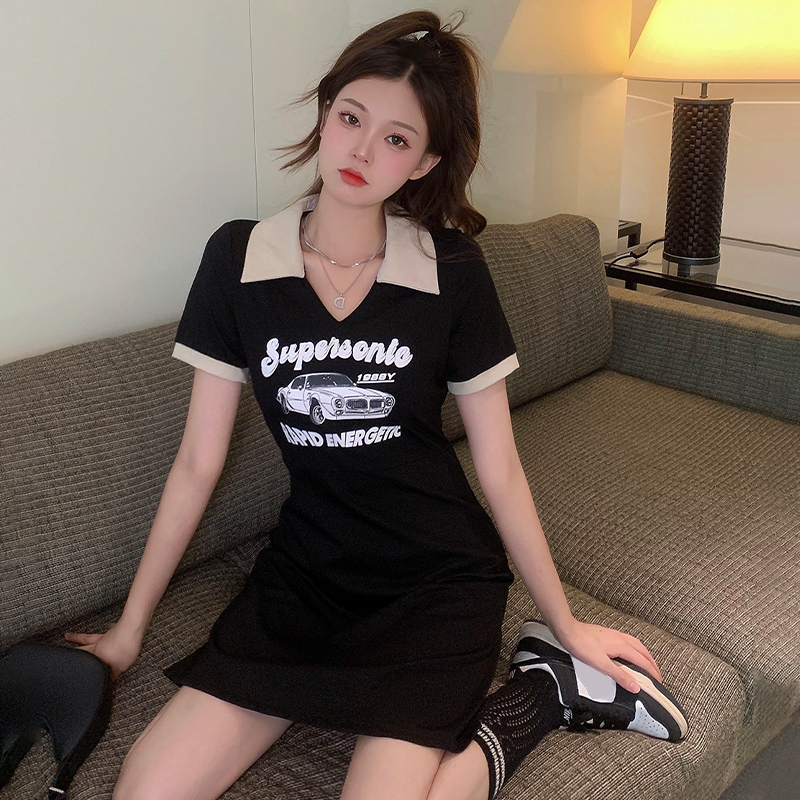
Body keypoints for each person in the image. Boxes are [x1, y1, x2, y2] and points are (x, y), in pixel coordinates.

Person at [65, 10, 687, 800]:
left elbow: (499, 469)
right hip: (308, 578)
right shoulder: (240, 258)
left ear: (425, 161)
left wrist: (563, 620)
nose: (361, 151)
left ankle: (546, 690)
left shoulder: (451, 270)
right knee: (143, 793)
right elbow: (197, 461)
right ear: (326, 114)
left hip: (435, 580)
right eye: (352, 118)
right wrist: (129, 631)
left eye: (396, 138)